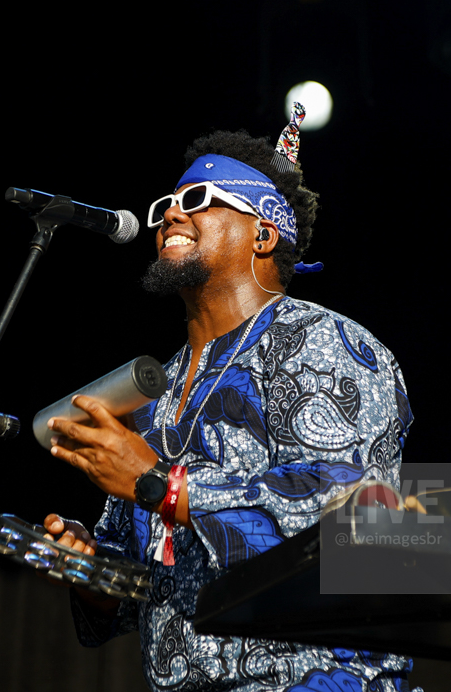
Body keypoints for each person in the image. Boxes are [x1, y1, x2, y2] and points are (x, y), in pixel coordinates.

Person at [42, 112, 418, 692]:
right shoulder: (154, 393)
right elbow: (148, 586)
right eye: (168, 203)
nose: (172, 214)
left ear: (264, 234)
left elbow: (350, 512)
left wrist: (161, 485)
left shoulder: (322, 343)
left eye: (198, 199)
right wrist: (92, 572)